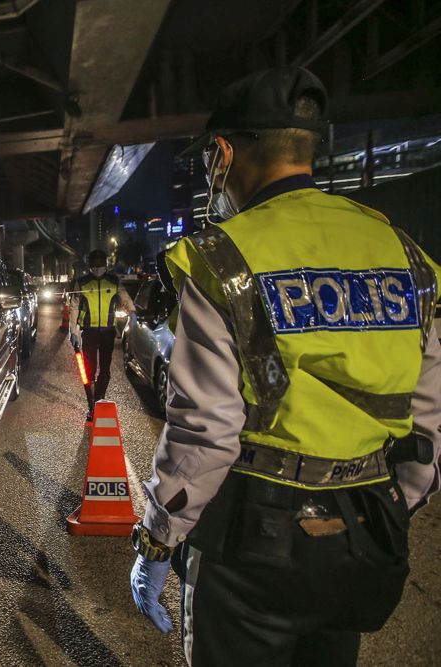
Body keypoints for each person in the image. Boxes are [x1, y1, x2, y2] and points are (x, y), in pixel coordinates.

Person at [128, 66, 441, 666]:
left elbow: (207, 432)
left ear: (224, 153)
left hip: (253, 542)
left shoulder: (220, 258)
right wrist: (389, 507)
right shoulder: (403, 251)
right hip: (367, 533)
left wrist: (157, 540)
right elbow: (427, 423)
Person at [68, 249, 135, 421]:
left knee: (105, 369)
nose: (97, 266)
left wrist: (132, 312)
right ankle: (91, 405)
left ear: (105, 263)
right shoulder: (82, 283)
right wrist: (73, 331)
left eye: (100, 262)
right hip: (89, 331)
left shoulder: (113, 281)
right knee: (89, 370)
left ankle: (99, 399)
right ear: (90, 264)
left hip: (108, 331)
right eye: (94, 262)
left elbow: (124, 298)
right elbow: (74, 307)